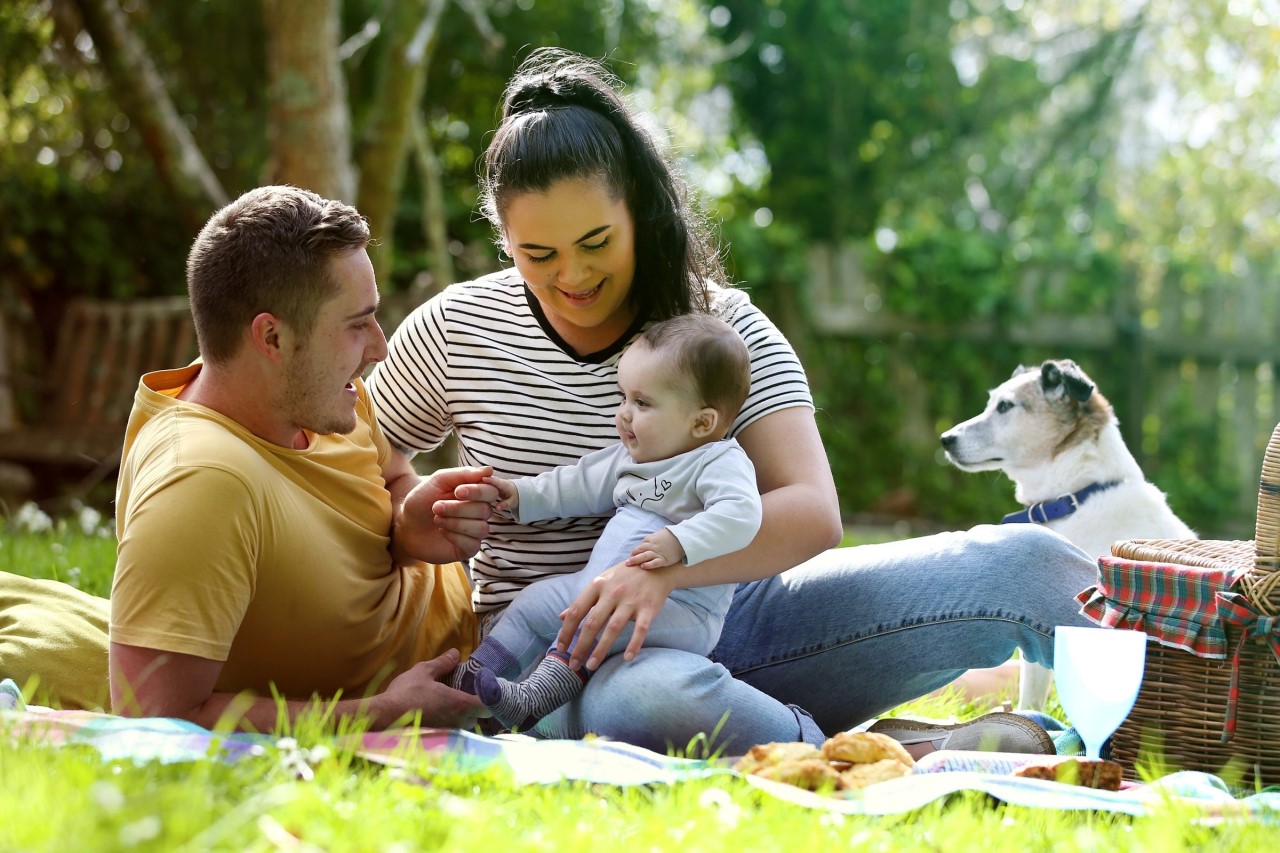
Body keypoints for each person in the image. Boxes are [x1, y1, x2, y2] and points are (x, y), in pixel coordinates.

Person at [366, 47, 1099, 755]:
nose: (573, 277)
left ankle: (1195, 721)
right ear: (503, 237)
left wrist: (663, 569)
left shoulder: (721, 330)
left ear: (638, 211)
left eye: (596, 241)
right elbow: (361, 466)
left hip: (735, 618)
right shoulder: (457, 328)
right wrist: (412, 518)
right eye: (539, 255)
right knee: (642, 700)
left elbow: (813, 510)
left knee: (1027, 562)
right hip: (566, 664)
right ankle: (870, 752)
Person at [107, 184, 498, 732]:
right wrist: (384, 714)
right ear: (272, 337)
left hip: (496, 600)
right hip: (484, 676)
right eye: (357, 324)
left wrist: (410, 522)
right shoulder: (200, 483)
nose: (379, 348)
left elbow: (392, 475)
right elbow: (153, 717)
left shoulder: (316, 393)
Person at [449, 313, 760, 730]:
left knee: (601, 622)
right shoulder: (631, 458)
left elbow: (742, 514)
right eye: (624, 398)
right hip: (592, 588)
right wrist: (519, 495)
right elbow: (575, 483)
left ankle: (537, 696)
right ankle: (474, 680)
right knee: (532, 604)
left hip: (680, 608)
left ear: (702, 422)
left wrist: (678, 542)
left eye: (643, 403)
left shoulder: (718, 461)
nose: (625, 415)